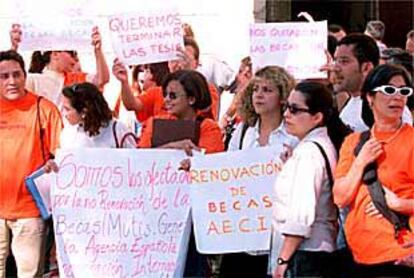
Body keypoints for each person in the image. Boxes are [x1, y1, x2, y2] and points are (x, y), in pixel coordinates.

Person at [333, 64, 414, 276]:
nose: (397, 97)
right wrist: (360, 162)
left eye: (404, 91)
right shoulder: (354, 143)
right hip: (360, 256)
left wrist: (399, 204)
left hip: (401, 256)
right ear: (369, 97)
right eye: (389, 90)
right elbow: (340, 198)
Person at [220, 66, 298, 278]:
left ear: (283, 97)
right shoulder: (243, 131)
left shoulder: (293, 137)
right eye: (255, 89)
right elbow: (226, 170)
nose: (259, 95)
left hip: (276, 235)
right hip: (242, 233)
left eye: (267, 90)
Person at [272, 81, 350, 277]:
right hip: (315, 251)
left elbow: (300, 215)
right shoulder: (316, 146)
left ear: (317, 117)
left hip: (307, 255)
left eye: (295, 109)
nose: (286, 114)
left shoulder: (308, 153)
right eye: (286, 107)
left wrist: (283, 260)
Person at [0, 50, 62, 277]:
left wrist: (53, 165)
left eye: (16, 74)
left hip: (29, 211)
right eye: (4, 76)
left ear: (25, 76)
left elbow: (60, 156)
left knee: (29, 274)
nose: (12, 81)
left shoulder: (44, 109)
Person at [113, 37, 220, 123]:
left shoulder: (208, 91)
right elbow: (132, 104)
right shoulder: (157, 92)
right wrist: (124, 82)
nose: (179, 64)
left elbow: (207, 115)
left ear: (196, 63)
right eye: (174, 59)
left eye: (184, 58)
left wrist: (189, 78)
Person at [10, 24, 110, 112]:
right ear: (55, 54)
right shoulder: (34, 80)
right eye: (72, 53)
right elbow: (7, 82)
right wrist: (14, 47)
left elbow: (102, 79)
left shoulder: (76, 79)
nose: (75, 59)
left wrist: (98, 50)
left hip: (70, 133)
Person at [332, 33, 412, 131]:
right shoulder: (351, 102)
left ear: (366, 67)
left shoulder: (389, 106)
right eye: (335, 61)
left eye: (344, 61)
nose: (335, 68)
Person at [138, 70, 224, 154]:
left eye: (173, 96)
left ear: (191, 99)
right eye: (165, 94)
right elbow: (140, 158)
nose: (166, 100)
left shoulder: (208, 128)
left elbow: (211, 163)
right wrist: (172, 147)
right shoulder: (154, 123)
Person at [59, 82, 136, 148]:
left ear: (84, 112)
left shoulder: (118, 130)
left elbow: (134, 160)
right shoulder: (67, 134)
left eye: (67, 109)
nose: (63, 113)